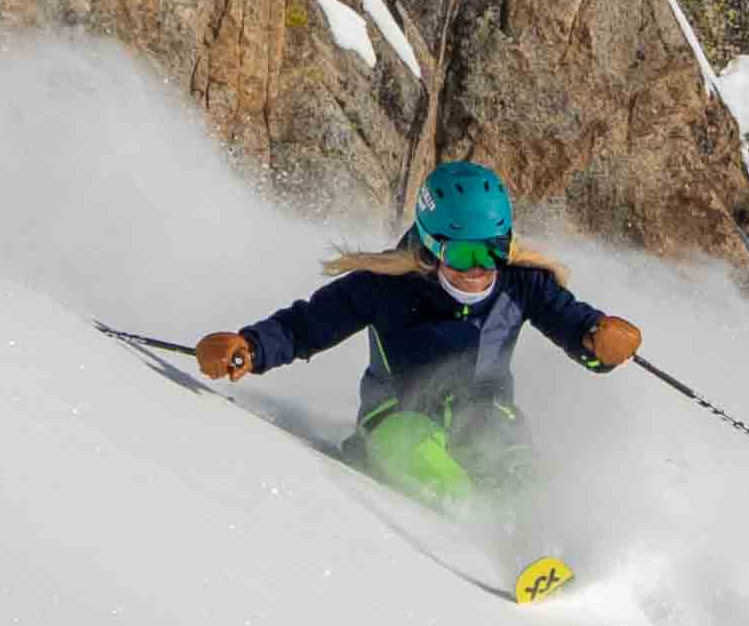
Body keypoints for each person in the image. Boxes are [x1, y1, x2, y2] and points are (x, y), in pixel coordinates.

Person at [195, 160, 641, 510]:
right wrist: (249, 348)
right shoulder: (384, 286)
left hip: (483, 414)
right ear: (431, 246)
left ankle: (538, 542)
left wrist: (599, 342)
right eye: (463, 253)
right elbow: (304, 327)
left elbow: (575, 326)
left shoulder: (522, 284)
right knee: (420, 452)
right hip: (395, 421)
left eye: (493, 250)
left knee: (507, 454)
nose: (478, 268)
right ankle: (472, 530)